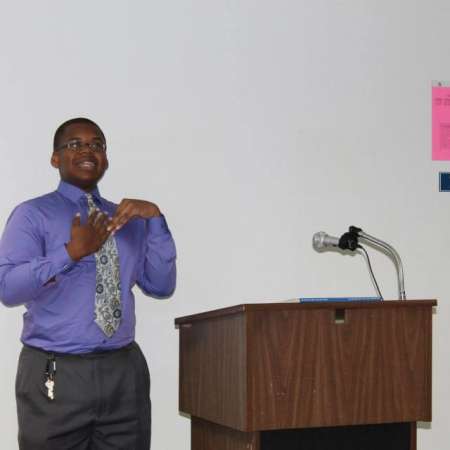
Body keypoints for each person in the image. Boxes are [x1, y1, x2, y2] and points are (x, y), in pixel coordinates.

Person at [0, 117, 176, 449]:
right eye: (75, 144)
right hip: (55, 372)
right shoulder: (31, 214)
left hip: (123, 372)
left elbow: (161, 285)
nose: (88, 150)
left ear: (106, 159)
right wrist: (70, 253)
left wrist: (154, 220)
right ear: (55, 159)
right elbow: (8, 288)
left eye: (97, 145)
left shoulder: (126, 219)